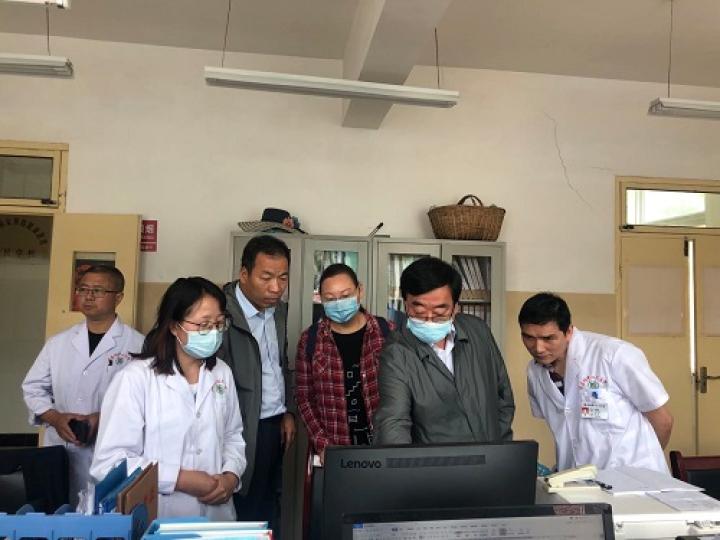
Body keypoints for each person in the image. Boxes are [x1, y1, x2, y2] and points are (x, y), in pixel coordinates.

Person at [90, 277, 245, 519]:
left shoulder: (221, 372)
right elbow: (110, 463)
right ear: (174, 326)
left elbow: (233, 436)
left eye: (218, 324)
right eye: (203, 325)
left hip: (217, 515)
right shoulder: (136, 378)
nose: (213, 333)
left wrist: (230, 476)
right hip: (160, 514)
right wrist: (180, 478)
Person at [22, 265, 144, 508]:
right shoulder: (58, 343)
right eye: (83, 289)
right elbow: (33, 388)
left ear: (118, 297)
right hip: (61, 451)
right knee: (59, 514)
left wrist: (102, 418)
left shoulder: (139, 345)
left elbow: (146, 402)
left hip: (112, 450)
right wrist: (56, 418)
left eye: (97, 290)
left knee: (107, 515)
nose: (88, 296)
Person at [519, 292, 673, 473]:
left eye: (548, 338)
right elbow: (567, 427)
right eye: (529, 337)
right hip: (577, 479)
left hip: (635, 477)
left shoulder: (614, 355)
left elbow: (663, 421)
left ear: (569, 332)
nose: (538, 348)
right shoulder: (534, 372)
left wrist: (648, 463)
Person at [373, 256, 515, 445]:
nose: (429, 319)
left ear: (455, 308)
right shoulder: (396, 352)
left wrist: (499, 447)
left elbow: (503, 395)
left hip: (490, 455)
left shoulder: (478, 331)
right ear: (406, 304)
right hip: (436, 462)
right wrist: (403, 462)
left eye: (439, 313)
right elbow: (393, 422)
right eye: (419, 312)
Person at [219, 235, 296, 529]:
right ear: (244, 274)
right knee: (240, 504)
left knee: (268, 502)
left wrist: (287, 411)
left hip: (273, 425)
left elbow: (279, 363)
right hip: (238, 426)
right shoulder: (221, 312)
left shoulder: (279, 311)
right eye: (266, 277)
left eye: (282, 278)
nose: (276, 287)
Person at [295, 263, 394, 464]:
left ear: (360, 291)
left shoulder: (387, 333)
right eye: (330, 299)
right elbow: (304, 398)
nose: (339, 304)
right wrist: (323, 444)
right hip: (336, 450)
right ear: (320, 299)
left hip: (385, 448)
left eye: (346, 295)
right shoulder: (310, 340)